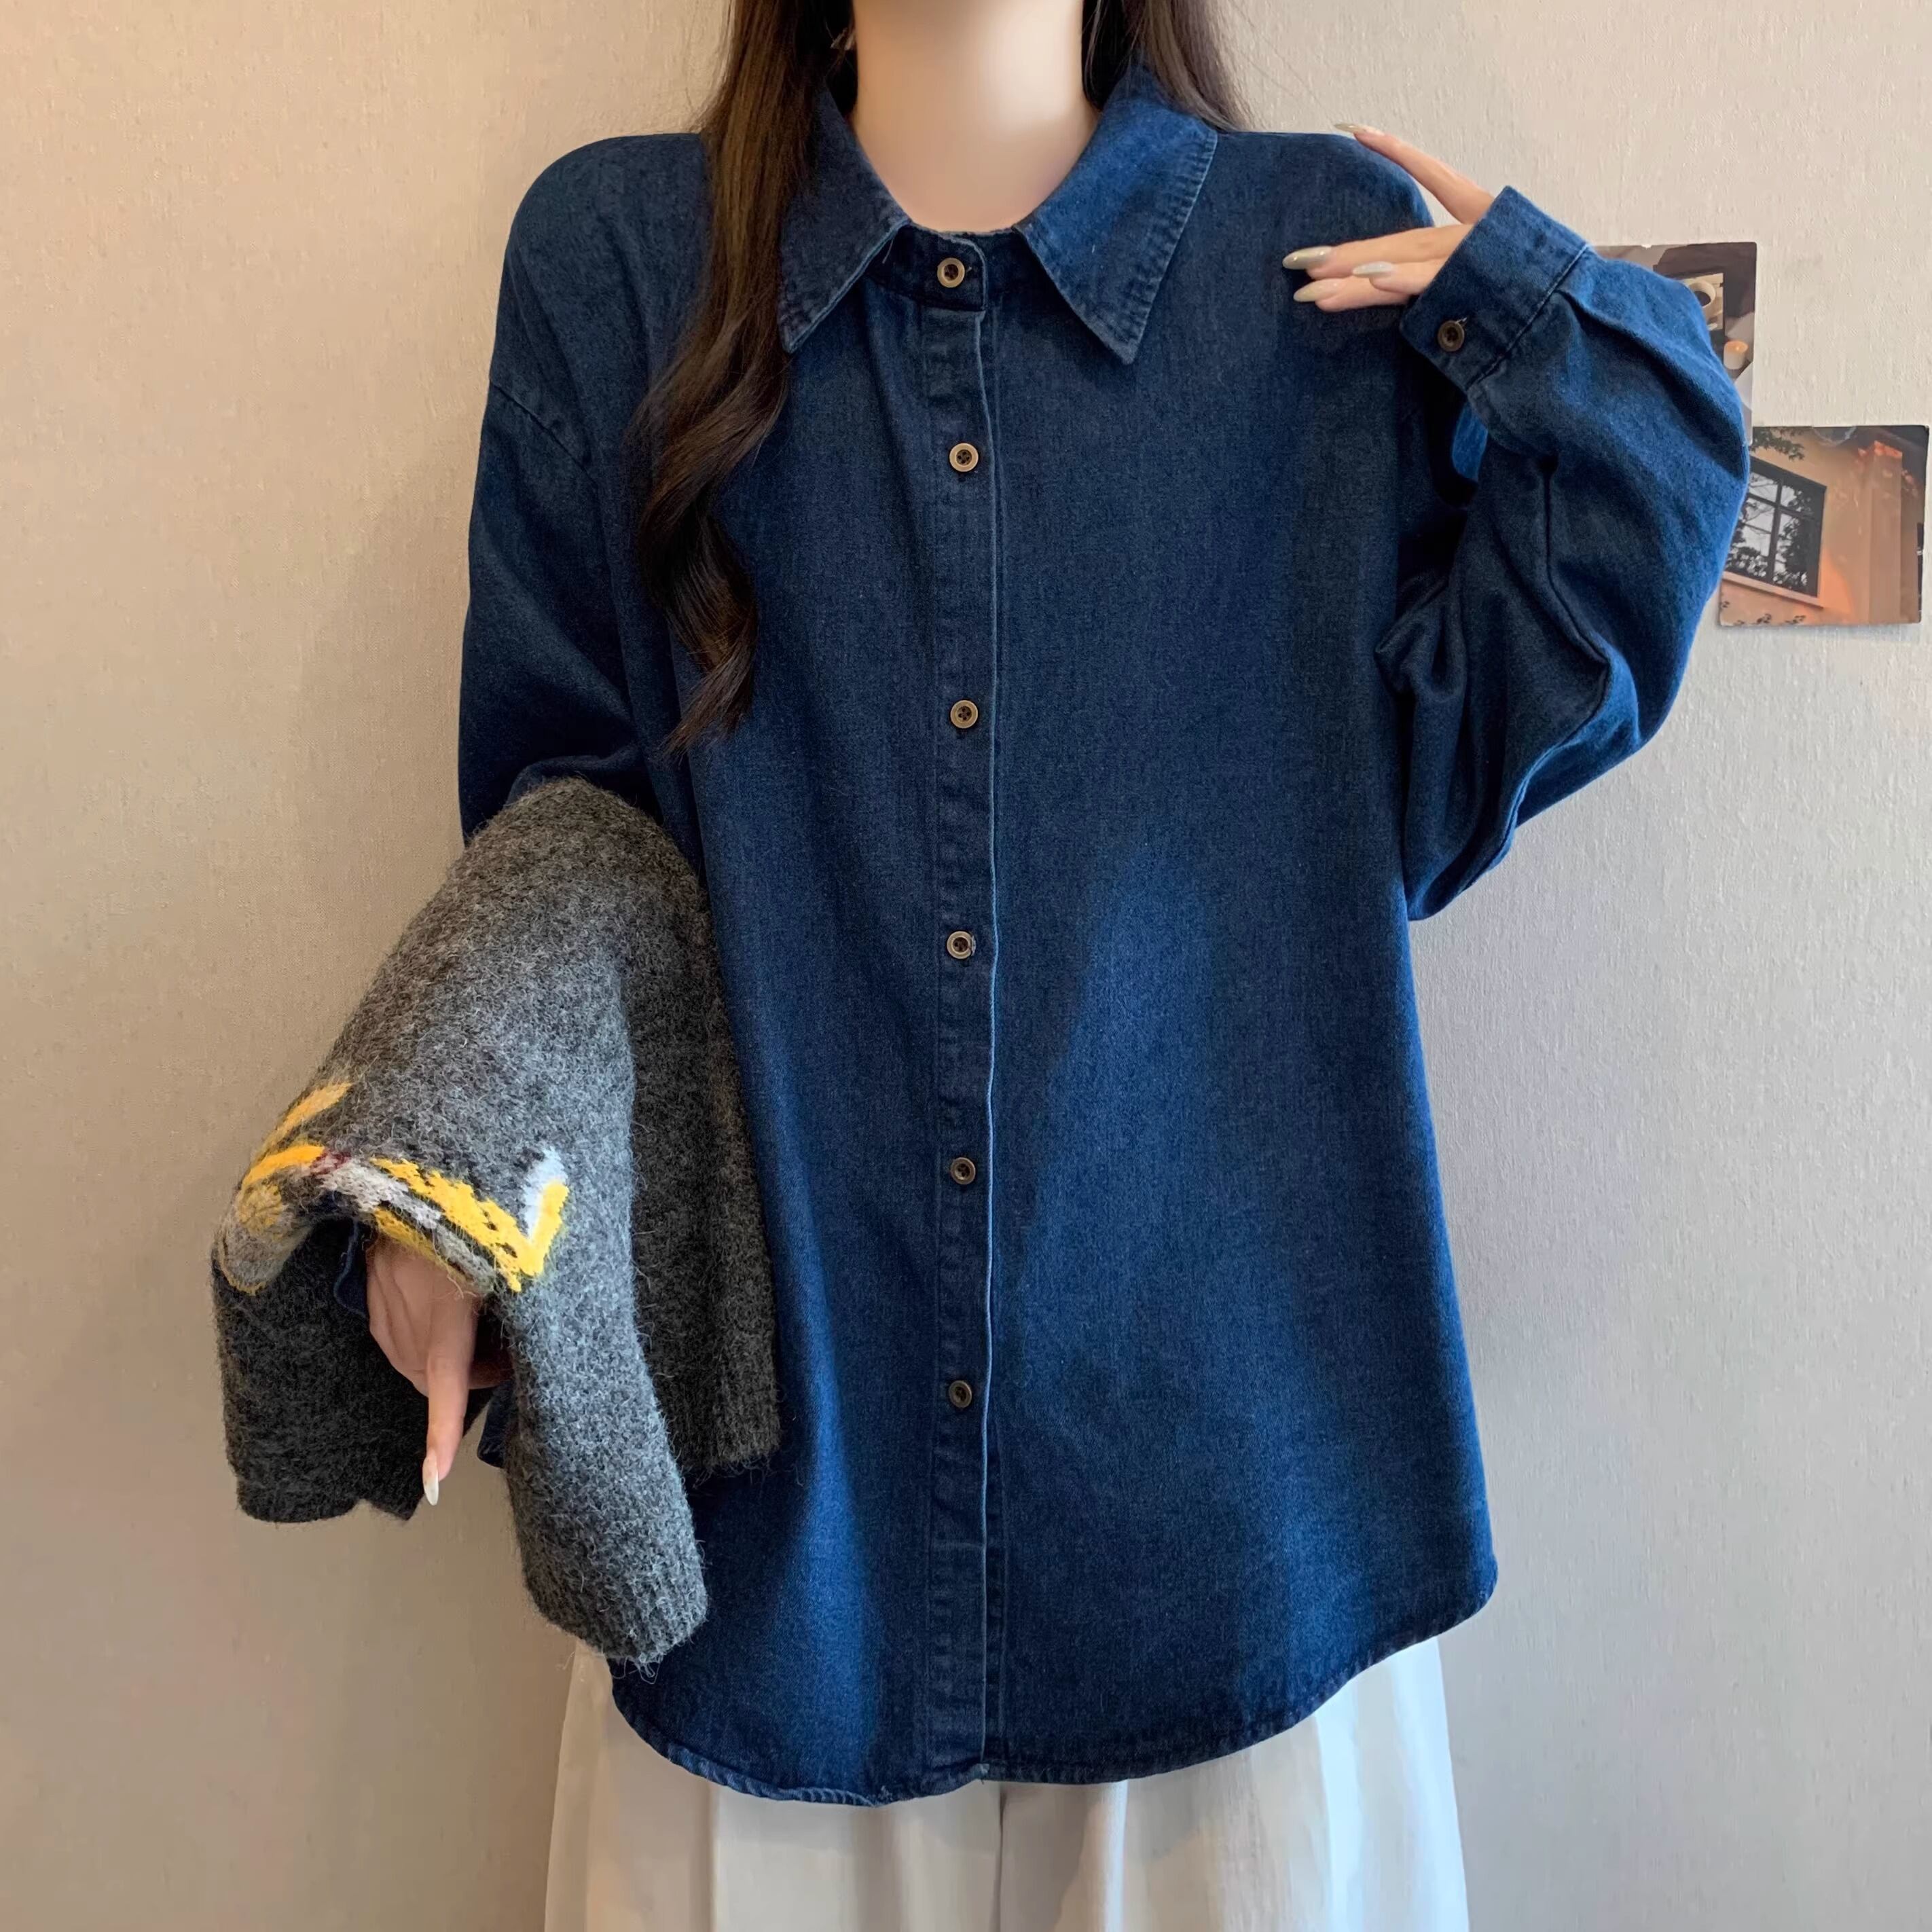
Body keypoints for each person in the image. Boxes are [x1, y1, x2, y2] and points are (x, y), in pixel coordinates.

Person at [349, 0, 1752, 1925]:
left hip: (1236, 1540)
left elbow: (1478, 741)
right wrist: (453, 1151)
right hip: (772, 1538)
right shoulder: (622, 259)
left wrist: (1544, 322)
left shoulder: (1316, 265)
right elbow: (567, 816)